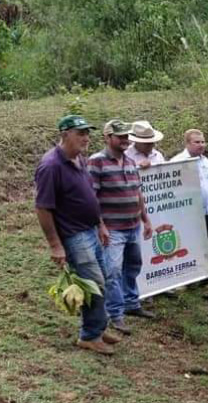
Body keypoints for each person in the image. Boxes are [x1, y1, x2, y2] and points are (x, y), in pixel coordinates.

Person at [34, 115, 121, 355]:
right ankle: (89, 336)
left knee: (102, 278)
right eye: (79, 133)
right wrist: (55, 245)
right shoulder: (51, 166)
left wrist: (100, 224)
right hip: (73, 236)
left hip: (91, 230)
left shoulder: (79, 159)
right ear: (64, 134)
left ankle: (97, 327)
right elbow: (43, 207)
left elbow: (89, 197)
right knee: (95, 285)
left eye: (87, 133)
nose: (86, 138)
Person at [87, 119, 155, 335]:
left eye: (127, 136)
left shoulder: (129, 161)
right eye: (120, 136)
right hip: (113, 227)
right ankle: (115, 313)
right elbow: (92, 198)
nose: (125, 140)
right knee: (113, 270)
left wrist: (146, 219)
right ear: (107, 138)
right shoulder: (96, 162)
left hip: (133, 224)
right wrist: (100, 226)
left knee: (133, 265)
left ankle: (132, 303)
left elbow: (137, 193)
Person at [171, 129, 208, 261]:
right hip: (189, 214)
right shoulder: (177, 162)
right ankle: (193, 278)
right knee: (192, 247)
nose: (201, 145)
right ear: (187, 143)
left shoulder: (205, 161)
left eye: (203, 142)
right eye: (197, 142)